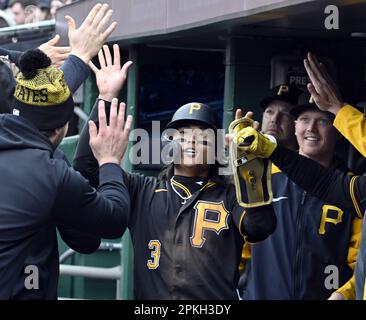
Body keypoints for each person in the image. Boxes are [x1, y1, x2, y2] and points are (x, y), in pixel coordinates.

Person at [73, 44, 277, 300]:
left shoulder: (230, 195)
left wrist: (250, 168)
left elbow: (260, 227)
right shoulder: (142, 188)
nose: (190, 142)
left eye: (201, 136)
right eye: (182, 135)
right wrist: (105, 95)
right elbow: (85, 168)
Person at [0, 3, 125, 299]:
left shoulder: (51, 168)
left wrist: (102, 95)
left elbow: (82, 237)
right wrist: (109, 161)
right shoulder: (51, 172)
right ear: (62, 129)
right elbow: (111, 221)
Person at [239, 93, 361, 300]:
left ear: (338, 130)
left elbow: (360, 261)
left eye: (322, 121)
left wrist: (344, 294)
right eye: (304, 120)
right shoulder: (264, 178)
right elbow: (240, 248)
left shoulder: (351, 188)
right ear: (295, 127)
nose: (311, 129)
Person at [260, 84, 302, 151]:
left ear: (297, 124)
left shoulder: (304, 160)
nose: (274, 119)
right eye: (270, 112)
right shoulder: (247, 156)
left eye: (285, 114)